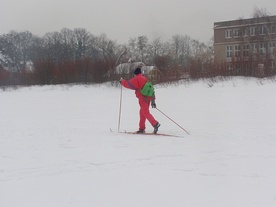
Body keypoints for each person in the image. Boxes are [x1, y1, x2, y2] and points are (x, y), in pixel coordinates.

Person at [119, 67, 160, 134]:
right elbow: (151, 89)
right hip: (149, 98)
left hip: (143, 98)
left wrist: (122, 81)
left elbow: (128, 84)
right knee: (142, 113)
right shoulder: (145, 78)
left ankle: (155, 124)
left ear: (135, 73)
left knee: (145, 112)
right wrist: (153, 101)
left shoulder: (137, 79)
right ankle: (142, 128)